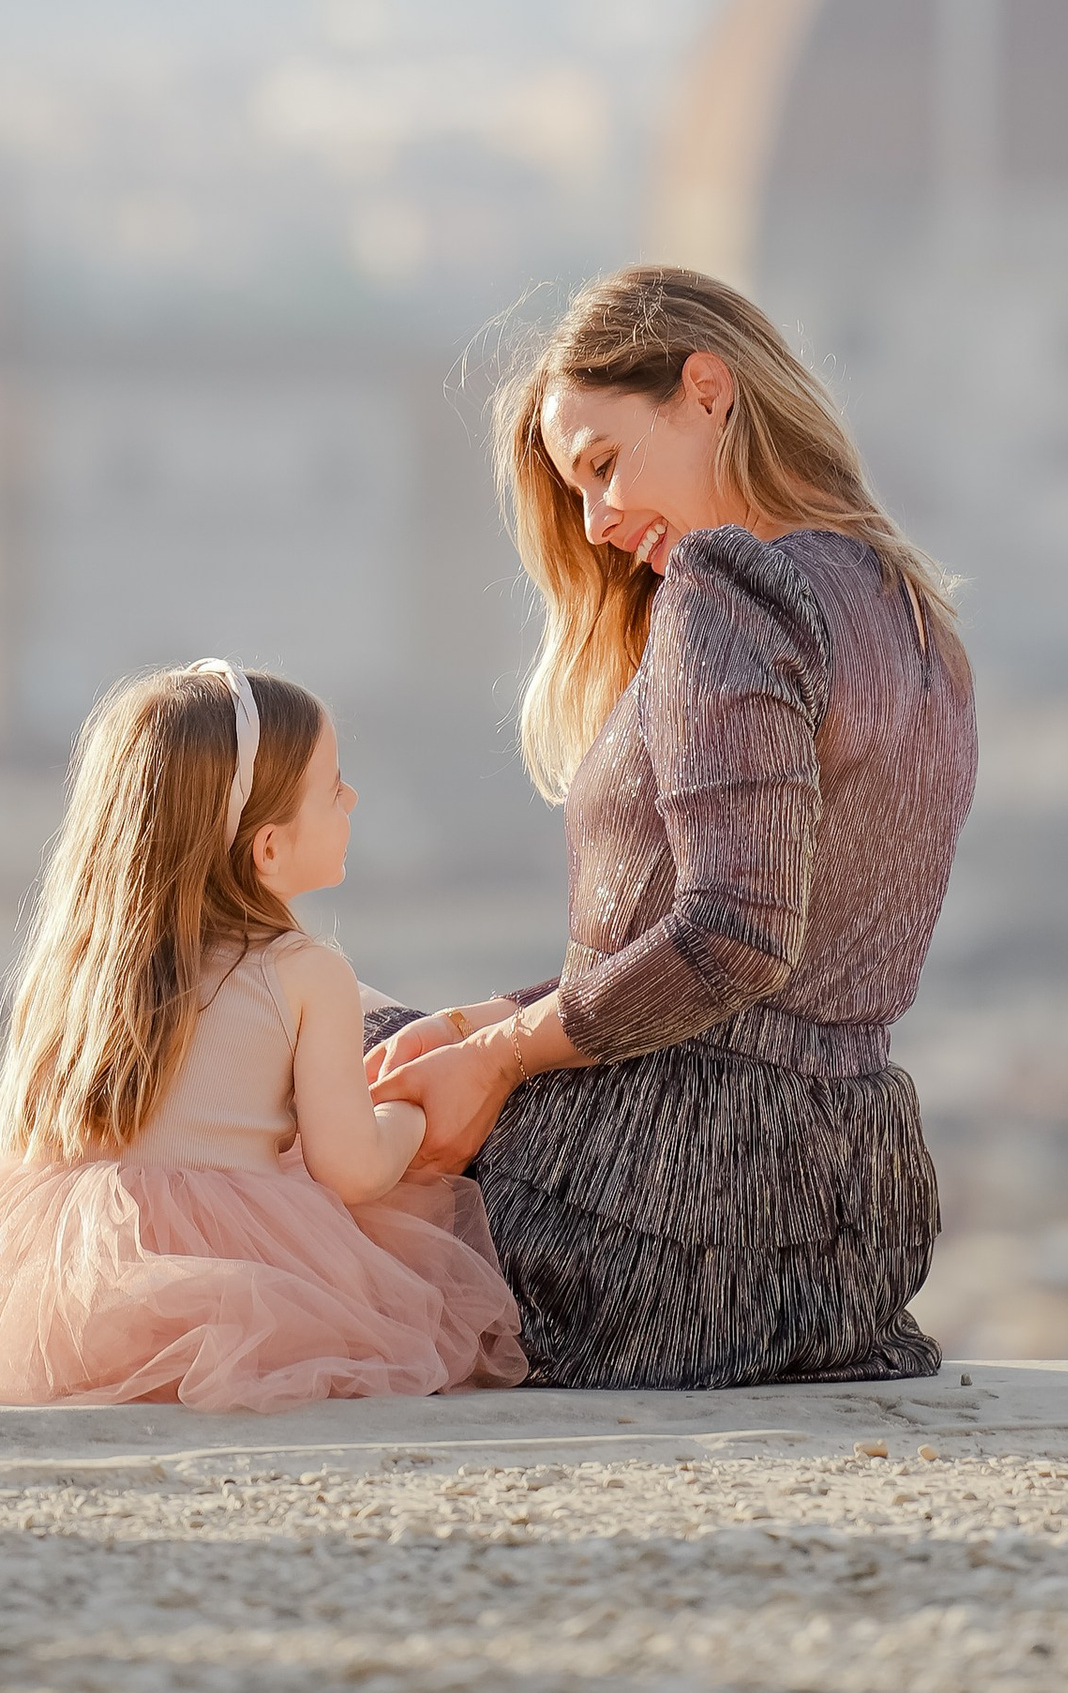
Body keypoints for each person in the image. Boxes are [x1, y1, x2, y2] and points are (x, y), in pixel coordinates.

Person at [366, 264, 975, 1388]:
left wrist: (496, 1058)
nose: (594, 525)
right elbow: (736, 959)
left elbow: (733, 939)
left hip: (660, 1214)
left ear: (705, 389)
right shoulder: (907, 609)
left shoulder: (725, 589)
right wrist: (476, 1021)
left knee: (276, 1032)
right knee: (379, 1040)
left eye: (602, 465)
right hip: (842, 1240)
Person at [0, 659, 523, 1413]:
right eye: (331, 788)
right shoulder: (304, 970)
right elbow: (353, 1171)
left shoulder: (81, 964)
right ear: (269, 849)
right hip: (235, 1266)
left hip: (55, 1262)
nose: (352, 796)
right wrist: (412, 1111)